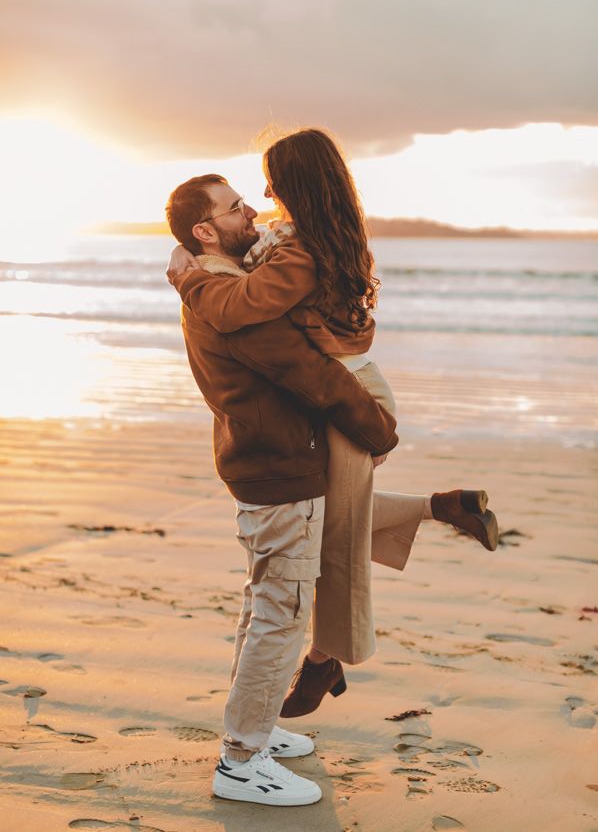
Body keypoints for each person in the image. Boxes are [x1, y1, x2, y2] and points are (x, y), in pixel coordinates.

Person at [167, 129, 499, 718]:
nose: (260, 195)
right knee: (338, 519)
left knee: (339, 535)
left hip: (355, 393)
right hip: (352, 387)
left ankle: (324, 659)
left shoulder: (294, 252)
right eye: (242, 198)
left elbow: (246, 315)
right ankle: (445, 507)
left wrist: (188, 275)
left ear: (297, 184)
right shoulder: (299, 241)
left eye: (269, 182)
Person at [165, 173, 400, 807]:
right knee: (281, 613)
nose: (253, 214)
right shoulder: (227, 300)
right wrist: (378, 428)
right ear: (205, 231)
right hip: (279, 468)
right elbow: (313, 376)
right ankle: (241, 762)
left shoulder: (217, 286)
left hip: (262, 462)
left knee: (264, 603)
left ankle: (255, 730)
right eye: (235, 209)